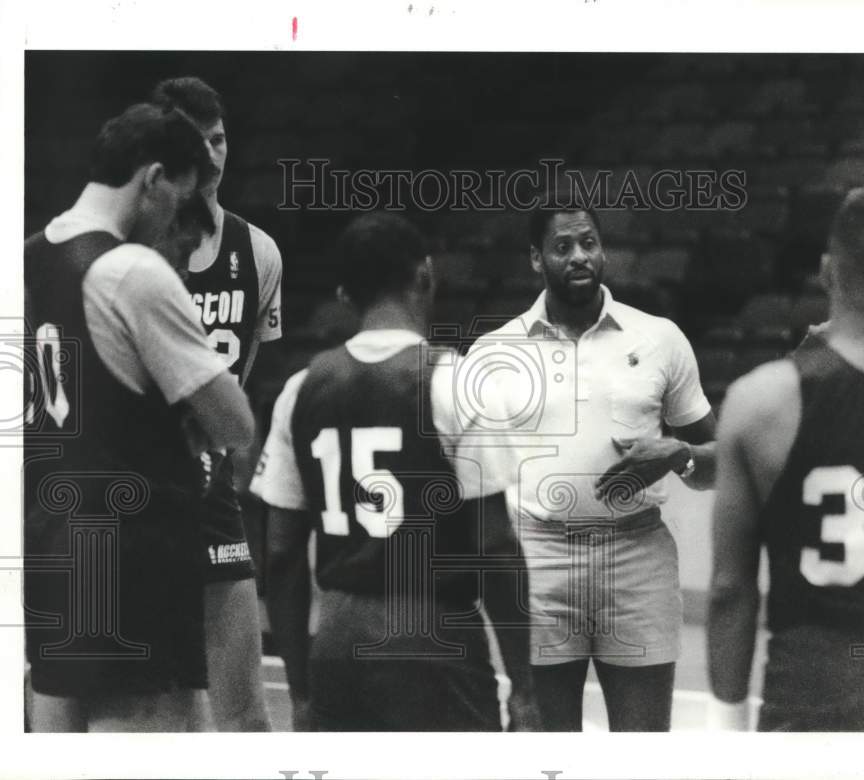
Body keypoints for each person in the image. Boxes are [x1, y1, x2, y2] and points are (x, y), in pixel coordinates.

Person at [251, 212, 540, 731]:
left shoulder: (299, 389)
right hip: (434, 635)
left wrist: (300, 689)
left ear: (344, 296)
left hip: (337, 638)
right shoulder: (457, 382)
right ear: (425, 275)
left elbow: (279, 553)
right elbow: (495, 548)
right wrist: (523, 684)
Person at [23, 103, 255, 732]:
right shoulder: (132, 271)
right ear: (153, 179)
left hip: (49, 543)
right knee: (164, 743)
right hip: (133, 552)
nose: (173, 226)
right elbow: (237, 425)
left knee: (54, 745)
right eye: (177, 202)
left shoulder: (25, 259)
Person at [707, 191, 864, 731]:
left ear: (826, 272)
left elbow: (730, 591)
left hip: (808, 705)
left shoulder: (760, 402)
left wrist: (727, 725)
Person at [465, 203, 716, 731]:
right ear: (537, 259)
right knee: (550, 754)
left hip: (637, 557)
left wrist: (678, 454)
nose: (579, 256)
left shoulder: (659, 338)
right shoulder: (494, 353)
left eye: (589, 243)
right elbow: (472, 484)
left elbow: (716, 463)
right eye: (562, 246)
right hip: (540, 558)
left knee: (641, 756)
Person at [150, 76, 283, 732]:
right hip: (141, 492)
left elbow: (242, 378)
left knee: (246, 712)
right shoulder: (133, 255)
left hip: (214, 494)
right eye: (197, 139)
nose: (212, 152)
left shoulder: (258, 252)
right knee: (169, 704)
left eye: (221, 137)